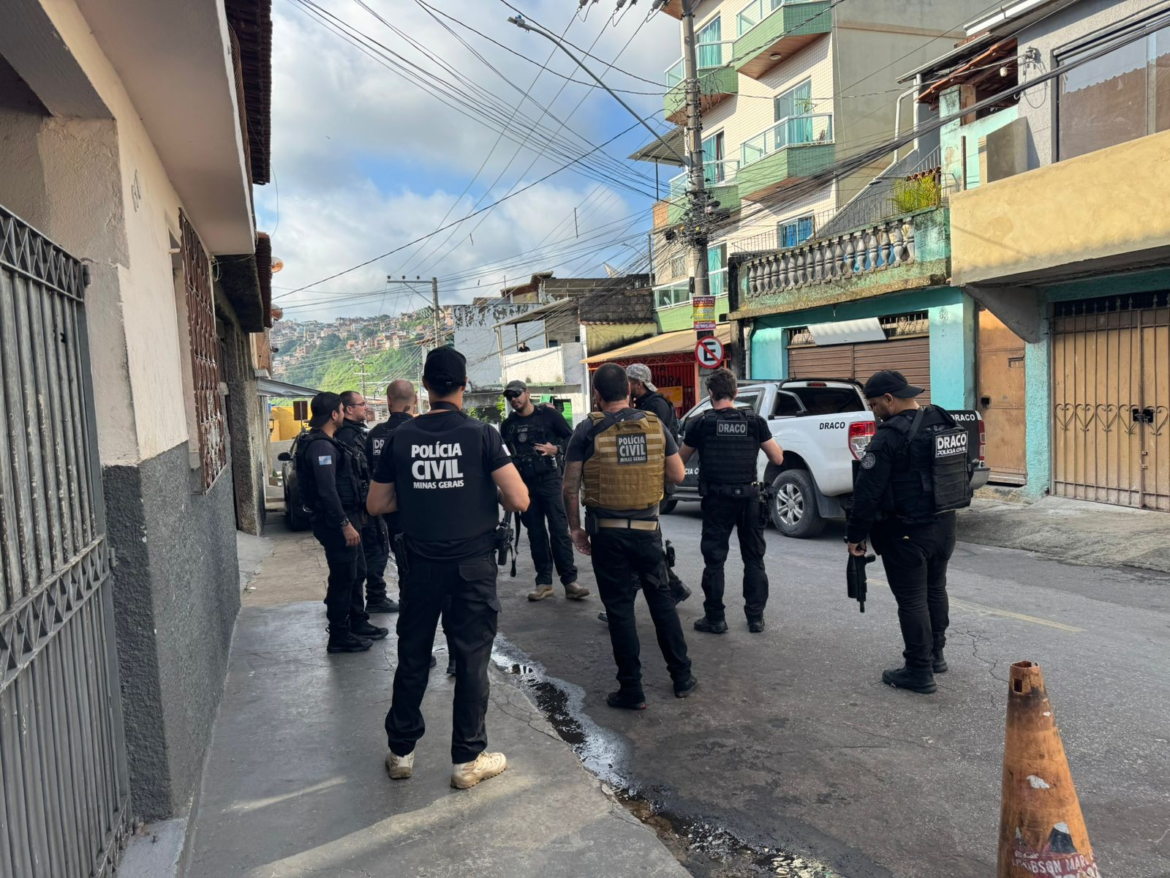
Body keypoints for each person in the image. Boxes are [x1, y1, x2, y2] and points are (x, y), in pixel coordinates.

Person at [368, 347, 529, 790]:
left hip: (419, 565)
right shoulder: (483, 435)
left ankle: (401, 753)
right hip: (472, 567)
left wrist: (421, 495)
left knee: (413, 656)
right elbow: (518, 500)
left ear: (425, 388)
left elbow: (377, 503)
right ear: (463, 386)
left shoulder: (401, 438)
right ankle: (466, 761)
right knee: (472, 659)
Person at [563, 363, 696, 710]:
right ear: (629, 390)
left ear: (597, 394)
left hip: (606, 535)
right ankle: (682, 677)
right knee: (661, 604)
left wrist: (576, 529)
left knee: (620, 612)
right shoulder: (654, 425)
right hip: (647, 532)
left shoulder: (585, 431)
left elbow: (569, 485)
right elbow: (678, 475)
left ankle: (632, 690)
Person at [847, 370, 972, 695]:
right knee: (935, 589)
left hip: (906, 531)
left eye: (874, 404)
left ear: (889, 399)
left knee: (913, 599)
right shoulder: (942, 421)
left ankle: (918, 670)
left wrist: (855, 536)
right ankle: (936, 656)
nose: (874, 411)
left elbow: (867, 492)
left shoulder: (889, 436)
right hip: (945, 524)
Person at [680, 369, 785, 634]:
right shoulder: (754, 421)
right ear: (736, 393)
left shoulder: (701, 423)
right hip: (749, 498)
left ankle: (715, 619)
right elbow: (778, 458)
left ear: (711, 394)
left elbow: (679, 461)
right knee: (754, 559)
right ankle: (755, 619)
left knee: (714, 561)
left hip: (717, 499)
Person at [295, 392, 389, 654]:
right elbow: (327, 491)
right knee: (343, 578)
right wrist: (344, 524)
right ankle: (339, 635)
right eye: (340, 410)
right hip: (336, 524)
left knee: (357, 571)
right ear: (335, 414)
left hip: (347, 521)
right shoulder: (321, 447)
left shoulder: (329, 442)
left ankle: (357, 622)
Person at [500, 380, 589, 602]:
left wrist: (556, 449)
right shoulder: (507, 425)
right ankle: (544, 583)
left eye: (517, 394)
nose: (514, 399)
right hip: (525, 485)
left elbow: (572, 439)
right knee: (536, 534)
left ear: (528, 393)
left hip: (550, 480)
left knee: (559, 531)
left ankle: (570, 582)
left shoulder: (549, 415)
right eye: (509, 396)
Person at [625, 363, 692, 609]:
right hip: (652, 480)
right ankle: (674, 588)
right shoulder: (646, 404)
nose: (626, 387)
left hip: (657, 481)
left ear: (638, 384)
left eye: (628, 383)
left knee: (643, 541)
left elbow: (653, 443)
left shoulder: (655, 406)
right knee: (647, 540)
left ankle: (626, 605)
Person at [335, 391, 397, 614]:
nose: (366, 407)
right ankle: (373, 599)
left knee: (374, 552)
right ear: (349, 409)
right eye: (362, 404)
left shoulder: (358, 434)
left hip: (363, 505)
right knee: (373, 552)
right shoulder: (348, 438)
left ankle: (373, 597)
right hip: (361, 508)